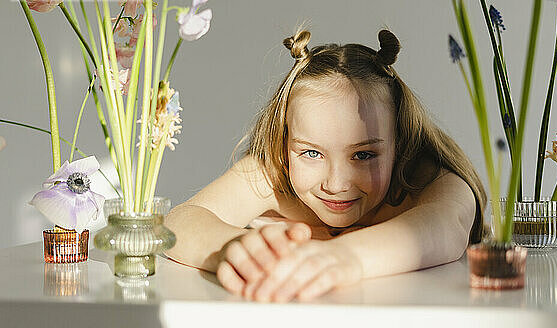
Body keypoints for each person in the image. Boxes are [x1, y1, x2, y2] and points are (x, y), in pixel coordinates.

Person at [164, 28, 486, 303]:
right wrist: (232, 247)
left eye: (363, 155)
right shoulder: (274, 175)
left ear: (399, 144)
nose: (335, 183)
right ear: (285, 141)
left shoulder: (424, 179)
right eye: (311, 154)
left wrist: (347, 256)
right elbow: (178, 223)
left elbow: (449, 225)